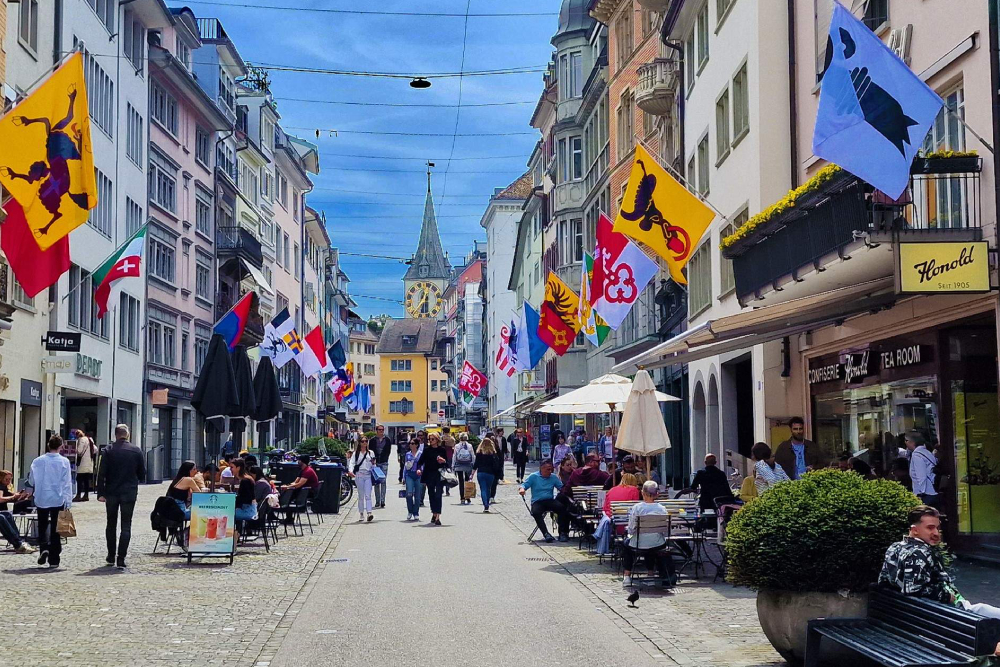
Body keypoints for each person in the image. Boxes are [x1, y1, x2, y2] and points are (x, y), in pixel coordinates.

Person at [879, 506, 1000, 638]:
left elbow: (884, 581)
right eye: (930, 528)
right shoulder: (919, 553)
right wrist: (946, 596)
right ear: (915, 530)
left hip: (925, 615)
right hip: (951, 615)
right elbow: (913, 589)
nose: (937, 533)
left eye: (938, 528)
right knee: (983, 610)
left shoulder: (894, 548)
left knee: (982, 609)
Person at [97, 424, 145, 568]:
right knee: (126, 525)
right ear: (127, 434)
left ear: (115, 435)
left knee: (110, 524)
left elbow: (101, 473)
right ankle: (121, 558)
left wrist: (100, 493)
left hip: (111, 492)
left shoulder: (108, 450)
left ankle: (111, 555)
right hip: (129, 492)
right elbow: (142, 474)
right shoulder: (136, 451)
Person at [28, 435, 73, 568]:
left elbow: (31, 481)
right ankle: (54, 558)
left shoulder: (37, 461)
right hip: (57, 498)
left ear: (48, 445)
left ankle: (44, 547)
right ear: (61, 446)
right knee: (55, 528)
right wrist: (68, 501)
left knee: (42, 525)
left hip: (41, 497)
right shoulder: (64, 462)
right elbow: (67, 483)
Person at [622, 481, 676, 589]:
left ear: (643, 493)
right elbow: (665, 531)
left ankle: (627, 576)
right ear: (657, 494)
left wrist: (631, 533)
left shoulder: (637, 508)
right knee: (651, 546)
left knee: (626, 545)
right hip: (658, 543)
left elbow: (631, 529)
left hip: (639, 543)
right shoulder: (662, 509)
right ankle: (650, 574)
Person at [519, 460, 568, 542]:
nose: (550, 471)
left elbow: (562, 488)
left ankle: (562, 533)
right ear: (542, 468)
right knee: (535, 512)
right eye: (548, 469)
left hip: (549, 500)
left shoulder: (553, 477)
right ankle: (546, 533)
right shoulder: (533, 476)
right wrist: (522, 489)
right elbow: (524, 485)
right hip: (538, 501)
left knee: (562, 508)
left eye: (551, 469)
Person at [416, 432, 448, 525]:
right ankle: (434, 512)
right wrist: (418, 469)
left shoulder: (442, 450)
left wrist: (443, 461)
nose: (430, 441)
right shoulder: (427, 450)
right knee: (431, 494)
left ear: (437, 440)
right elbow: (420, 462)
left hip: (439, 474)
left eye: (432, 439)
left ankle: (437, 516)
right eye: (429, 439)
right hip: (429, 474)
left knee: (438, 495)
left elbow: (447, 464)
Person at [0, 470, 36, 554]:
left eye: (10, 479)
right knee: (1, 518)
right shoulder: (1, 487)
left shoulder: (4, 487)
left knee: (7, 514)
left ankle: (19, 540)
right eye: (6, 479)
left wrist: (18, 496)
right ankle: (18, 544)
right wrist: (13, 497)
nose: (8, 481)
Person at [906, 431, 939, 508]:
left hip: (926, 494)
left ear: (912, 442)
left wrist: (920, 494)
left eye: (906, 440)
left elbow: (921, 476)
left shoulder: (917, 455)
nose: (905, 443)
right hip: (933, 491)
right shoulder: (927, 452)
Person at [348, 439, 376, 523]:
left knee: (368, 495)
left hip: (368, 475)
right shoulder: (356, 453)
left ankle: (369, 512)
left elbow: (374, 464)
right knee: (361, 495)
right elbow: (352, 463)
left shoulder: (371, 453)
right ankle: (361, 513)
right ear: (360, 443)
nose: (365, 443)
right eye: (363, 441)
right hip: (359, 475)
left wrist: (374, 468)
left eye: (366, 441)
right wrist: (351, 471)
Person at [472, 438, 503, 513]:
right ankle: (487, 503)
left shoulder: (479, 453)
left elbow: (476, 464)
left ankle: (485, 504)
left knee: (483, 489)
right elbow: (496, 465)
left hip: (481, 473)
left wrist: (472, 474)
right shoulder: (493, 453)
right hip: (490, 473)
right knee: (488, 489)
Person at [230, 458, 258, 536]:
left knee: (227, 514)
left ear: (238, 468)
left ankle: (233, 537)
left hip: (248, 511)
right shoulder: (245, 479)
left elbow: (247, 499)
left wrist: (233, 499)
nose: (230, 470)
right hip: (247, 508)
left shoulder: (245, 481)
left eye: (232, 467)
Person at [370, 425, 392, 509]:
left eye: (382, 430)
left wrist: (385, 458)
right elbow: (371, 451)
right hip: (375, 462)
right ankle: (377, 501)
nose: (381, 431)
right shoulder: (372, 440)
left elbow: (388, 451)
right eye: (379, 430)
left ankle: (383, 501)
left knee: (383, 481)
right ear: (376, 430)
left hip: (384, 462)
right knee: (376, 482)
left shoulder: (387, 440)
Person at [452, 433, 476, 505]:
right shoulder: (469, 446)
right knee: (467, 481)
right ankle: (467, 497)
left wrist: (453, 466)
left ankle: (462, 498)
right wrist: (473, 464)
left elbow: (454, 456)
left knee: (461, 481)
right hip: (468, 465)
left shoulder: (457, 446)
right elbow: (473, 456)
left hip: (459, 465)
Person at [73, 428, 96, 502]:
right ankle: (86, 495)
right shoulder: (90, 439)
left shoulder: (81, 440)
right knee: (86, 480)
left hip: (82, 464)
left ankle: (78, 495)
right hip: (89, 463)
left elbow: (79, 451)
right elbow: (95, 449)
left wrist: (74, 449)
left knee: (79, 479)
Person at [403, 440, 423, 521]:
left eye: (413, 443)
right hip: (409, 474)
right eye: (410, 443)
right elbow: (405, 466)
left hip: (418, 475)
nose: (411, 445)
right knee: (409, 494)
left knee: (417, 496)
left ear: (417, 445)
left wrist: (421, 471)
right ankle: (410, 511)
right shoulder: (408, 454)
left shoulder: (421, 453)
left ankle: (416, 512)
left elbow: (423, 464)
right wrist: (403, 477)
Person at [441, 427, 456, 497]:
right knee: (448, 472)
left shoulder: (441, 438)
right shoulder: (452, 439)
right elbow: (453, 446)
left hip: (442, 456)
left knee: (441, 471)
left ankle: (441, 488)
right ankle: (447, 490)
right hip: (449, 455)